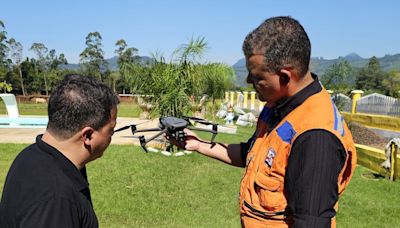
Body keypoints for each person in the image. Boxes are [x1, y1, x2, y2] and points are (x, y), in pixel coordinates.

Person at [171, 16, 357, 227]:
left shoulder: (316, 137)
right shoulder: (279, 105)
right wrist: (198, 145)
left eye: (256, 76)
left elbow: (311, 222)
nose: (249, 82)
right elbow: (251, 153)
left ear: (286, 77)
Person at [0, 74, 119, 227]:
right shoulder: (56, 200)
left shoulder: (31, 155)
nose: (112, 135)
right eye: (111, 130)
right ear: (88, 136)